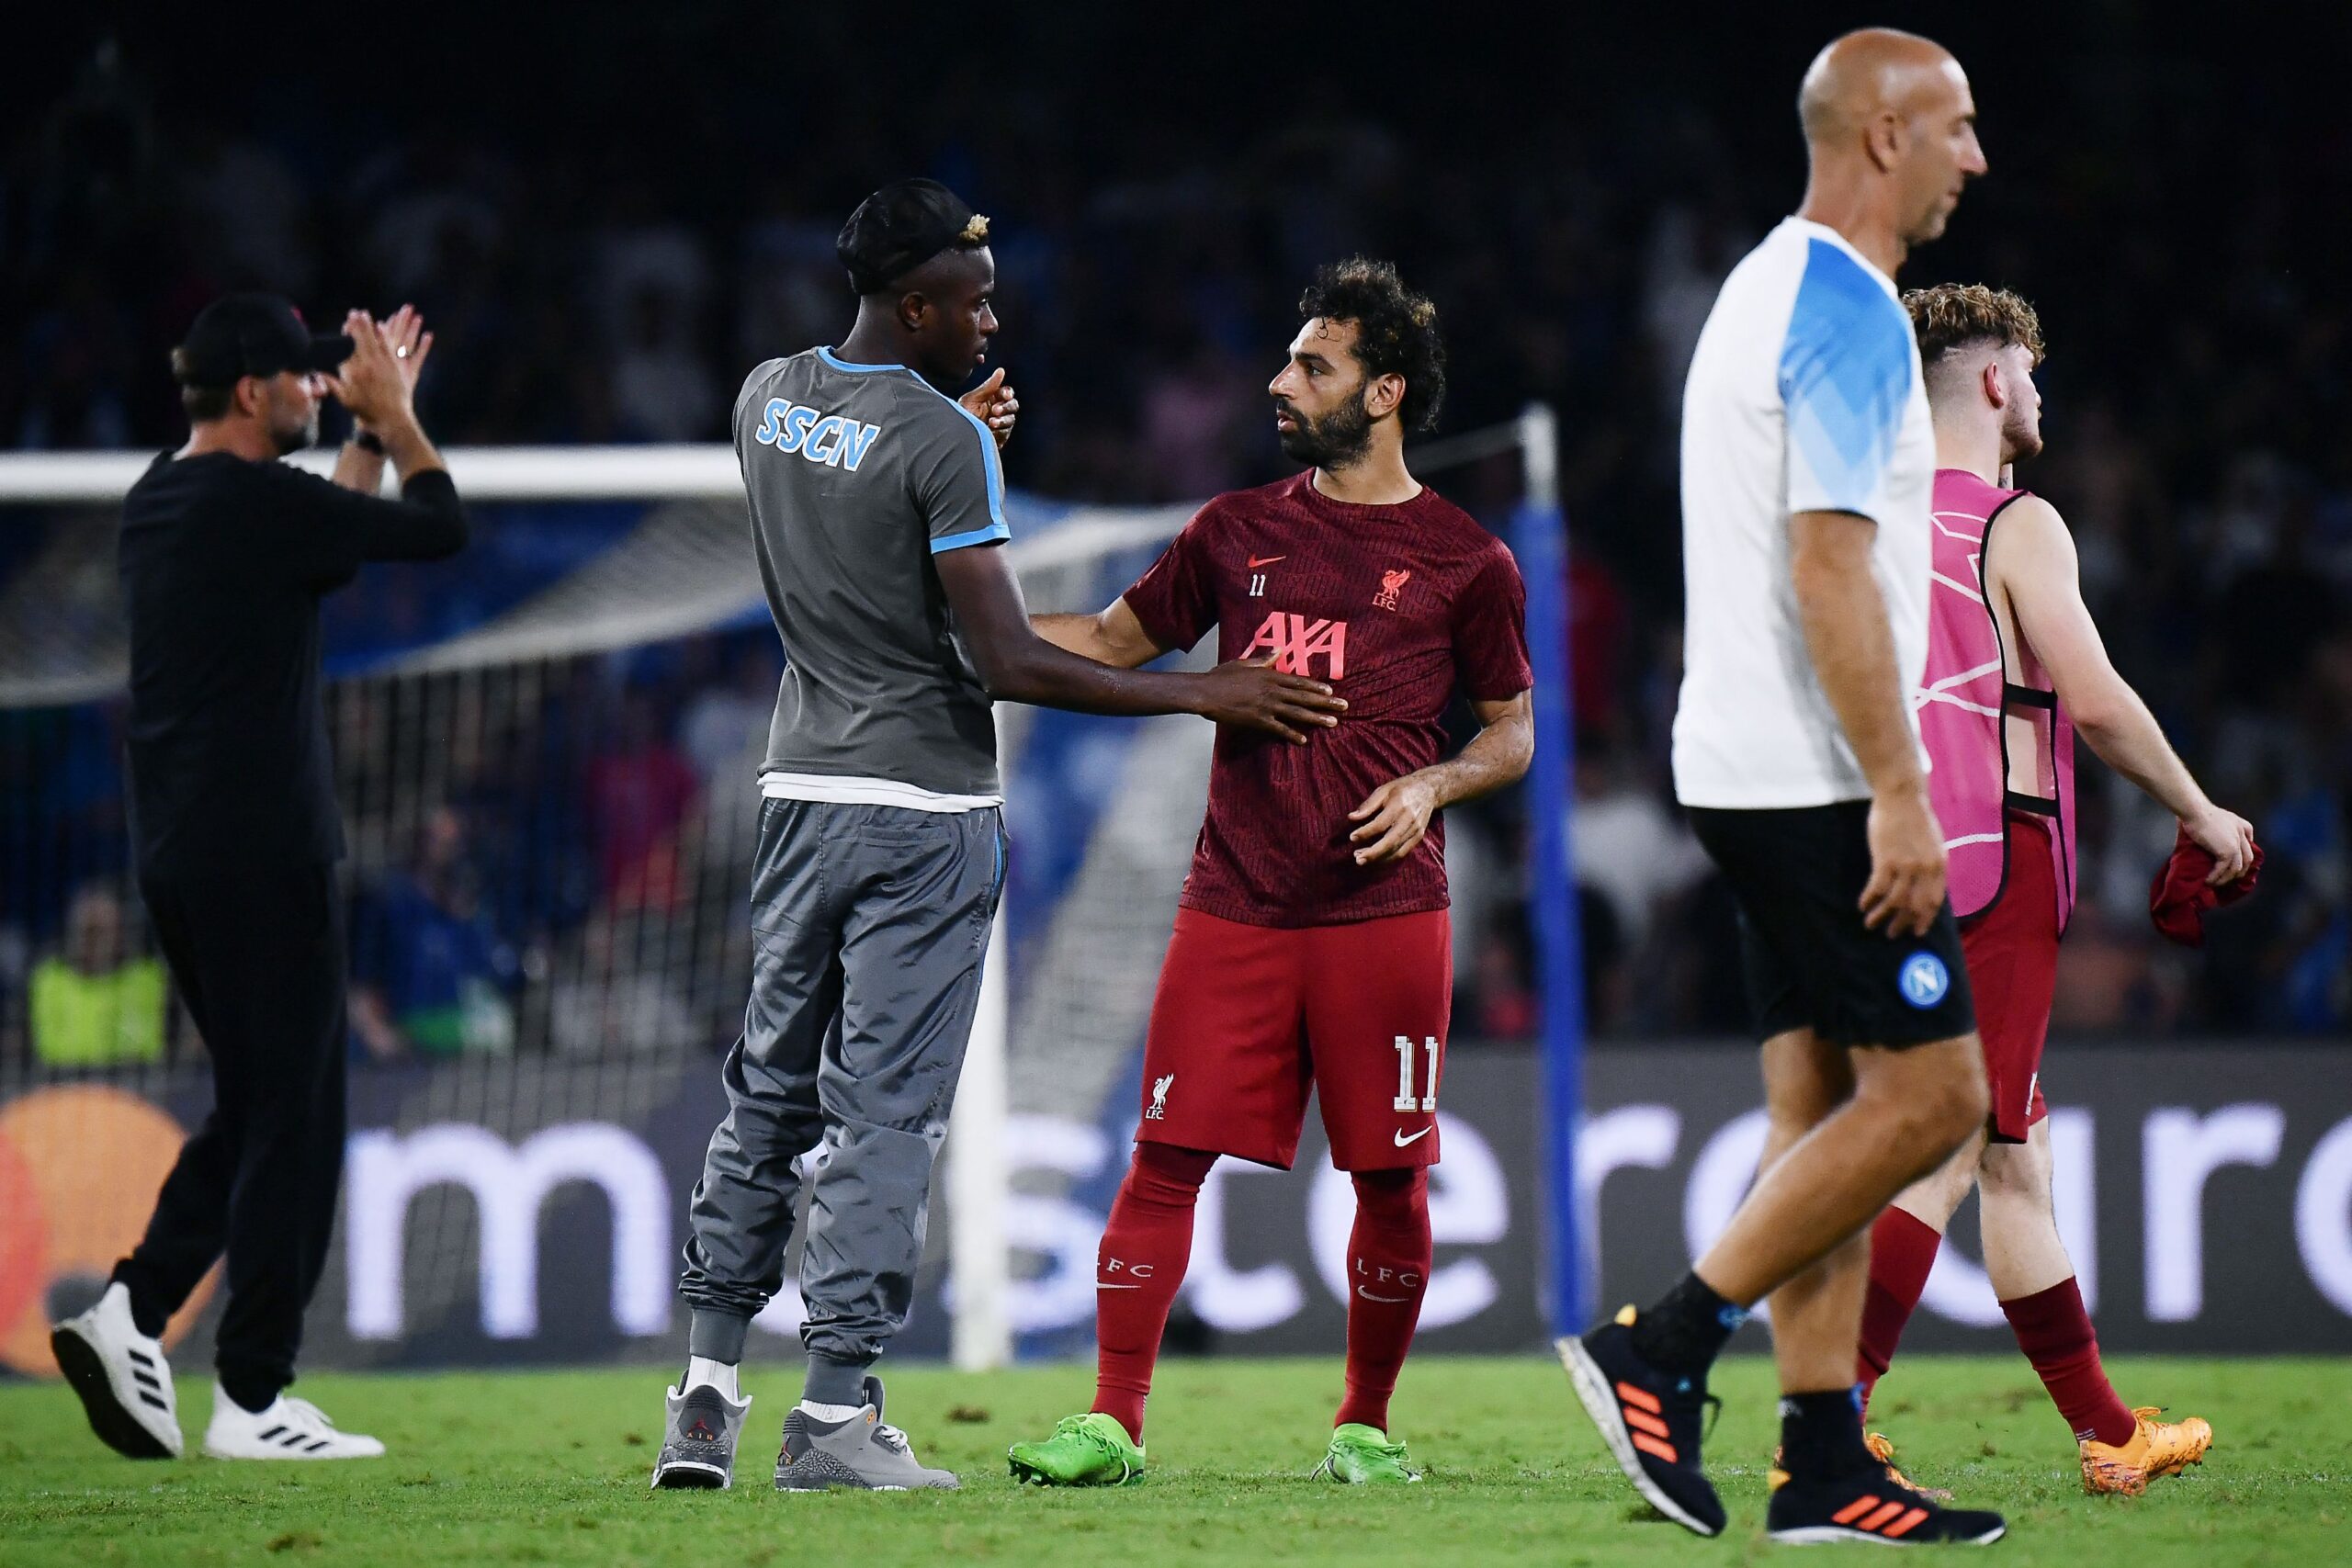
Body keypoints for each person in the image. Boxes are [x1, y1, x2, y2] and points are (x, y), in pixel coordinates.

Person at [651, 179, 1344, 1493]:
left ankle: (703, 1395)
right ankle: (837, 1415)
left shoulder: (764, 393)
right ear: (914, 305)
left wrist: (942, 436)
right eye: (970, 300)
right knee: (884, 1118)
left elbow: (856, 517)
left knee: (767, 1093)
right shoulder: (943, 443)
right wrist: (1210, 690)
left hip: (800, 789)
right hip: (922, 814)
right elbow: (1013, 659)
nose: (991, 315)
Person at [1561, 29, 2011, 1546]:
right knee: (1938, 1092)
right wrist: (1900, 791)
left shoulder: (1764, 286)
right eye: (1955, 128)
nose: (1976, 158)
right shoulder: (1846, 309)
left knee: (1818, 1103)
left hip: (1743, 755)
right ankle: (1660, 1344)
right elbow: (1830, 560)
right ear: (1883, 134)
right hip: (1814, 775)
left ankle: (1823, 1457)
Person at [1003, 257, 1533, 1489]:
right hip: (1232, 898)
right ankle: (1112, 1421)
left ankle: (1365, 1423)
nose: (1280, 380)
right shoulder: (1232, 530)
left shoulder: (1467, 560)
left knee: (1391, 1175)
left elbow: (1512, 724)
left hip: (1385, 910)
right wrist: (974, 635)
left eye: (1315, 364)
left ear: (1385, 389)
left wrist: (1435, 781)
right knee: (1162, 1154)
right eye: (1291, 359)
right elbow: (1112, 643)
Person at [50, 296, 466, 1463]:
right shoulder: (243, 500)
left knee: (260, 1102)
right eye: (303, 378)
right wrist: (402, 421)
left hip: (186, 849)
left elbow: (326, 536)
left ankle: (131, 1311)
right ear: (250, 392)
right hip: (262, 848)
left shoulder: (170, 498)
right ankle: (252, 1395)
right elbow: (437, 531)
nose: (319, 390)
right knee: (302, 1115)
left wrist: (369, 435)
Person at [1854, 282, 2251, 1493]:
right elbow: (2095, 698)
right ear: (1990, 381)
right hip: (2000, 857)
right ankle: (1827, 1415)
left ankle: (2108, 1426)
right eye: (2030, 373)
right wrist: (2198, 806)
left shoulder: (1865, 523)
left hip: (1890, 852)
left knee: (2008, 1151)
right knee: (1951, 1141)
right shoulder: (2013, 523)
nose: (2039, 395)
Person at [28, 885, 166, 1066]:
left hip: (138, 1087)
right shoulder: (46, 978)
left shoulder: (152, 978)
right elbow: (17, 1042)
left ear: (120, 933)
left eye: (101, 931)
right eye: (87, 931)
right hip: (57, 1087)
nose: (93, 942)